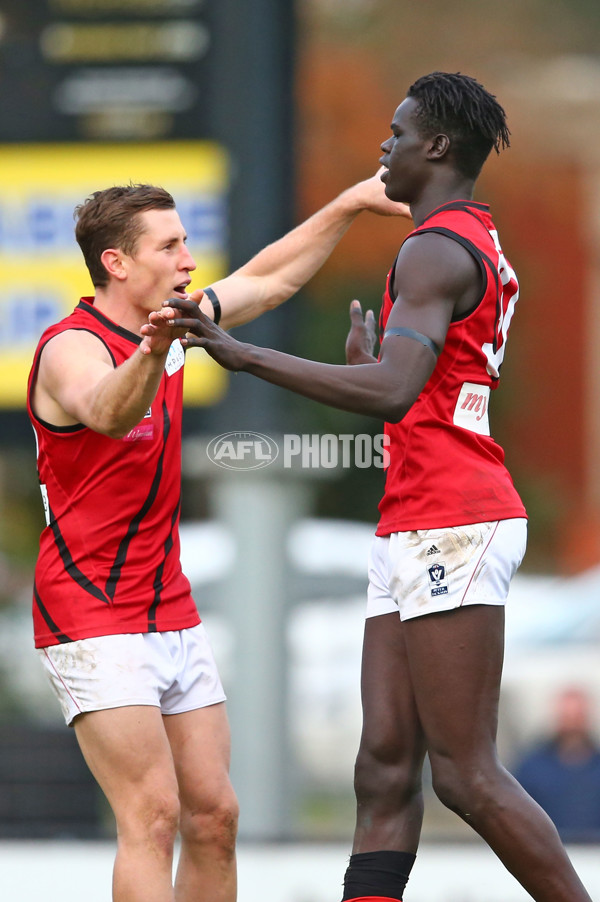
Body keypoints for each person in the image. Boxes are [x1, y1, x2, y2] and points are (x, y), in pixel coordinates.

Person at [160, 72, 593, 901]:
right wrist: (377, 378)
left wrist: (241, 352)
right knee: (382, 767)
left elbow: (398, 388)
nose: (384, 149)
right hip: (418, 516)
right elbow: (420, 390)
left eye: (396, 135)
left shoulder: (432, 246)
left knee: (464, 776)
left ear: (436, 147)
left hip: (454, 518)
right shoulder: (470, 237)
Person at [26, 175, 409, 902]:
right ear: (116, 263)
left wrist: (348, 203)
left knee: (215, 814)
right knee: (153, 814)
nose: (188, 261)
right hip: (89, 609)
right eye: (169, 246)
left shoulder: (171, 321)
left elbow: (268, 280)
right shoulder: (69, 349)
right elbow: (106, 411)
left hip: (167, 603)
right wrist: (153, 350)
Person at [514, 687, 600, 843]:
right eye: (567, 718)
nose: (572, 726)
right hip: (546, 854)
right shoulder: (531, 767)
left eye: (577, 718)